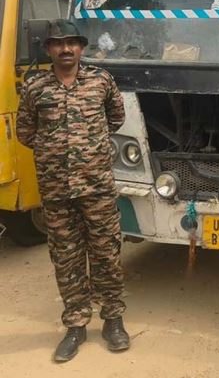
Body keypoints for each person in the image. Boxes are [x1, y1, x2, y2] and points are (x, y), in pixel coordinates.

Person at [16, 19, 130, 362]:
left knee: (106, 254)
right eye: (58, 43)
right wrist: (55, 152)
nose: (65, 49)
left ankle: (113, 320)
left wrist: (88, 149)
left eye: (72, 43)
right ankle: (76, 325)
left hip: (97, 187)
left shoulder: (101, 81)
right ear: (48, 48)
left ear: (81, 47)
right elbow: (25, 132)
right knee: (66, 258)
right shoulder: (35, 87)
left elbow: (116, 118)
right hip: (56, 190)